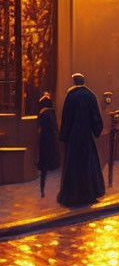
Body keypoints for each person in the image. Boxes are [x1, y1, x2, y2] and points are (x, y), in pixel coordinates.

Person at [57, 73, 105, 208]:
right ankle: (89, 193)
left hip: (74, 137)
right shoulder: (91, 96)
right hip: (86, 138)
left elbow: (66, 118)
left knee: (73, 166)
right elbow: (96, 118)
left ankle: (73, 196)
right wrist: (96, 131)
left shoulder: (71, 96)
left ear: (74, 82)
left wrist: (64, 136)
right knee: (87, 165)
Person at [36, 91, 60, 199]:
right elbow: (55, 127)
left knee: (44, 164)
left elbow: (42, 128)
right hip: (51, 140)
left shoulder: (43, 114)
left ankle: (42, 191)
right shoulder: (52, 113)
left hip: (45, 140)